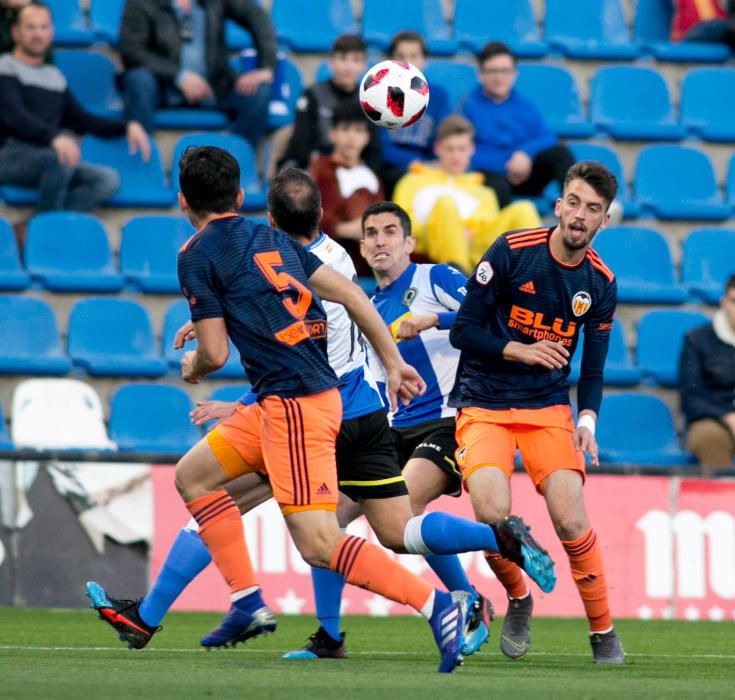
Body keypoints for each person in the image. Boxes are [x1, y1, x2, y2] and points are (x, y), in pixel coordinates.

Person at [86, 170, 555, 664]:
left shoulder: (405, 272)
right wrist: (392, 364)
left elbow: (300, 353)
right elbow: (286, 310)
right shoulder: (317, 264)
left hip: (313, 411)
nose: (376, 241)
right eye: (370, 232)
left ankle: (434, 604)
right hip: (367, 411)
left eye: (387, 232)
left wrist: (237, 394)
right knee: (387, 529)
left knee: (302, 531)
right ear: (323, 220)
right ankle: (477, 559)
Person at [448, 161, 625, 665]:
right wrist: (519, 350)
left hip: (547, 407)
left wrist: (587, 421)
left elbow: (592, 371)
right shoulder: (511, 251)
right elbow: (464, 331)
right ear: (558, 205)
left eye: (593, 209)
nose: (579, 215)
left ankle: (603, 631)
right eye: (574, 202)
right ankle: (519, 598)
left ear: (603, 221)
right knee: (490, 514)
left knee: (571, 520)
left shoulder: (601, 283)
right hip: (484, 399)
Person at [0, 2, 149, 214]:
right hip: (9, 155)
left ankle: (40, 227)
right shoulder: (5, 67)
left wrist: (126, 126)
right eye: (30, 27)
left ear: (51, 32)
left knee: (106, 180)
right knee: (61, 159)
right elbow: (15, 115)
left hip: (48, 157)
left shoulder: (54, 77)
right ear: (16, 32)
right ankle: (46, 233)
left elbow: (83, 119)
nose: (38, 34)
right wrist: (53, 138)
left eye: (43, 27)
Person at [393, 115, 541, 273]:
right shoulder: (412, 181)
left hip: (477, 249)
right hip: (433, 246)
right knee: (446, 203)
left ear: (471, 149)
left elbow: (489, 227)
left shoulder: (483, 191)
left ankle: (532, 277)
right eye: (450, 149)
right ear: (437, 149)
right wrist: (452, 230)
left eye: (461, 149)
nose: (456, 156)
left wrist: (468, 229)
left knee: (524, 208)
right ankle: (457, 278)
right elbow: (402, 226)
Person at [119, 0, 276, 148]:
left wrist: (266, 67)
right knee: (138, 80)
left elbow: (257, 16)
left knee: (260, 93)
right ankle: (143, 160)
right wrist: (179, 76)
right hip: (163, 87)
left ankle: (232, 160)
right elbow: (132, 50)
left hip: (214, 86)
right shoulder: (140, 2)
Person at [460, 41, 574, 209]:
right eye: (492, 71)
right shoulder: (467, 107)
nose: (499, 78)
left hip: (525, 175)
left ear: (514, 74)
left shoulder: (525, 105)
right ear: (480, 74)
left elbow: (547, 137)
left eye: (505, 71)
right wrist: (508, 164)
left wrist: (525, 153)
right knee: (497, 186)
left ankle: (574, 210)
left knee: (561, 153)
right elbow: (461, 151)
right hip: (491, 177)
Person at [278, 34, 381, 173]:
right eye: (343, 59)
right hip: (315, 166)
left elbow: (373, 148)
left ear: (363, 66)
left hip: (355, 168)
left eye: (356, 60)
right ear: (331, 62)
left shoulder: (369, 101)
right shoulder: (312, 94)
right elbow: (301, 142)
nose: (348, 66)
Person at [310, 101, 384, 274]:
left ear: (367, 137)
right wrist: (348, 228)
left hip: (370, 255)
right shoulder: (322, 169)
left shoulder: (371, 177)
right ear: (333, 134)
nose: (352, 137)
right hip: (332, 256)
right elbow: (317, 218)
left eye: (358, 131)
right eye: (345, 129)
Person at [379, 31, 451, 197]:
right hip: (391, 168)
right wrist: (410, 162)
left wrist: (429, 164)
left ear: (424, 60)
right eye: (401, 56)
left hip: (427, 167)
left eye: (414, 56)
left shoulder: (438, 96)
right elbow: (379, 144)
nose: (407, 62)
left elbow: (442, 137)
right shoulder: (377, 94)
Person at [679, 273, 735, 471]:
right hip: (712, 420)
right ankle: (721, 501)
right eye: (734, 301)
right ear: (723, 302)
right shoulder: (697, 340)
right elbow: (691, 400)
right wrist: (728, 417)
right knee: (709, 437)